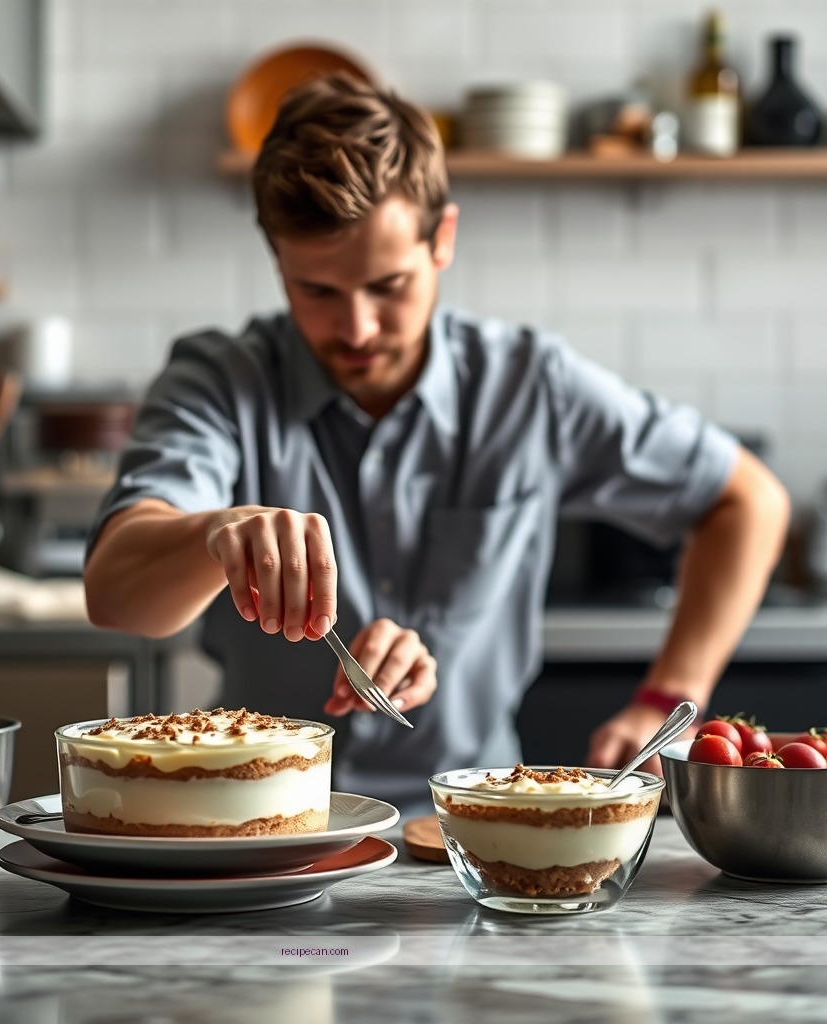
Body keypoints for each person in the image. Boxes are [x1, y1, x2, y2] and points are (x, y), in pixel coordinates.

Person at [83, 73, 790, 813]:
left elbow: (749, 500)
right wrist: (216, 533)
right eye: (317, 291)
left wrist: (666, 699)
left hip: (480, 838)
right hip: (259, 833)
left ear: (442, 238)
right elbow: (115, 596)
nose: (357, 329)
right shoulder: (218, 382)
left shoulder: (530, 385)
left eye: (387, 285)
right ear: (277, 262)